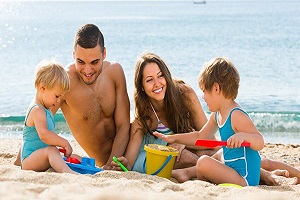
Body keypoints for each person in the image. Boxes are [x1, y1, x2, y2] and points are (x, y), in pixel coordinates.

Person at [113, 53, 299, 185]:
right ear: (141, 87)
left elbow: (207, 140)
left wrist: (182, 142)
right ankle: (263, 174)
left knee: (229, 157)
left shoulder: (184, 94)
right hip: (193, 156)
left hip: (206, 149)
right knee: (200, 159)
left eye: (160, 76)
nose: (157, 83)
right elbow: (129, 161)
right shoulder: (143, 118)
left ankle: (270, 173)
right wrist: (120, 164)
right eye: (149, 80)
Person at [15, 23, 130, 168]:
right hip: (104, 163)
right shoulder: (64, 83)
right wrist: (19, 162)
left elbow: (123, 125)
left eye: (94, 62)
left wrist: (110, 165)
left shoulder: (115, 72)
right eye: (80, 62)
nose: (87, 70)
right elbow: (35, 121)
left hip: (128, 152)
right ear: (73, 54)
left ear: (104, 54)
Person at [21, 60, 78, 174]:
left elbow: (27, 139)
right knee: (52, 151)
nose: (58, 101)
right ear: (42, 88)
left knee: (72, 156)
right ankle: (67, 172)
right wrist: (64, 143)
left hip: (37, 155)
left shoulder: (46, 109)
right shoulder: (37, 110)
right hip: (29, 160)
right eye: (56, 96)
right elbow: (44, 135)